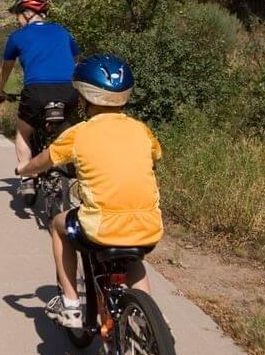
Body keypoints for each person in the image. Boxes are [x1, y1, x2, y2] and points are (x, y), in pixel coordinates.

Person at [16, 55, 163, 328]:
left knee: (59, 225)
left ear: (83, 98)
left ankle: (71, 303)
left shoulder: (78, 133)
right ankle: (150, 324)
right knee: (131, 256)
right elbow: (155, 156)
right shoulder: (141, 130)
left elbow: (45, 160)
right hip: (149, 226)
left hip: (101, 227)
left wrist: (25, 169)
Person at [0, 0, 80, 199]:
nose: (17, 20)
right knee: (65, 129)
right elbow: (77, 60)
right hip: (67, 90)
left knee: (23, 132)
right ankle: (73, 170)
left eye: (18, 15)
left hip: (36, 91)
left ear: (28, 13)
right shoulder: (62, 31)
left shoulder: (17, 36)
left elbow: (6, 69)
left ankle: (27, 178)